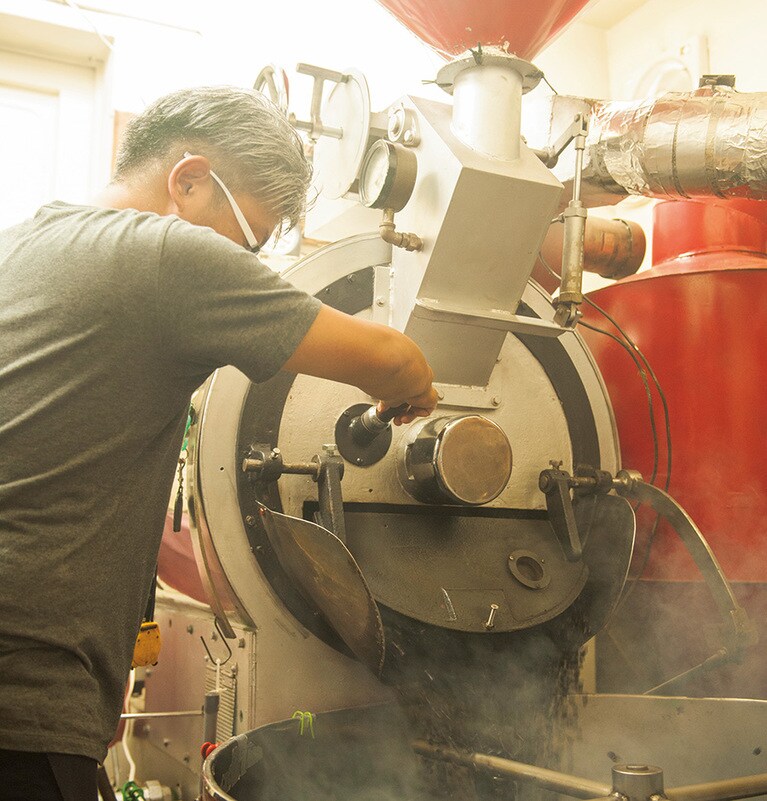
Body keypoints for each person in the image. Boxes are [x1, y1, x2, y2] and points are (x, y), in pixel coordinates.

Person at [0, 85, 437, 800]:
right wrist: (416, 385)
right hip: (21, 704)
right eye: (251, 239)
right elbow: (394, 360)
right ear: (188, 180)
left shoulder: (21, 243)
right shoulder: (166, 253)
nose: (247, 260)